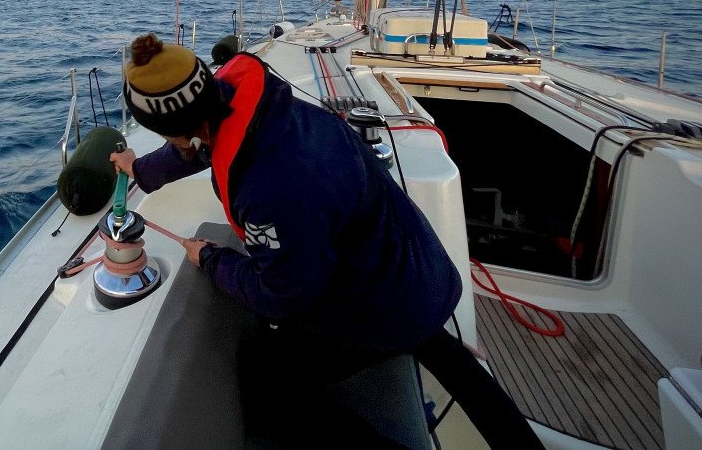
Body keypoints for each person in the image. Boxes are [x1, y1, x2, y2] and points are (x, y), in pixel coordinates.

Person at [110, 33, 542, 449]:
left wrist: (212, 261)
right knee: (439, 348)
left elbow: (282, 295)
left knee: (263, 383)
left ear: (178, 130)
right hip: (416, 272)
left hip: (375, 306)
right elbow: (201, 145)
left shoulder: (268, 186)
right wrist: (141, 171)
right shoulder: (251, 102)